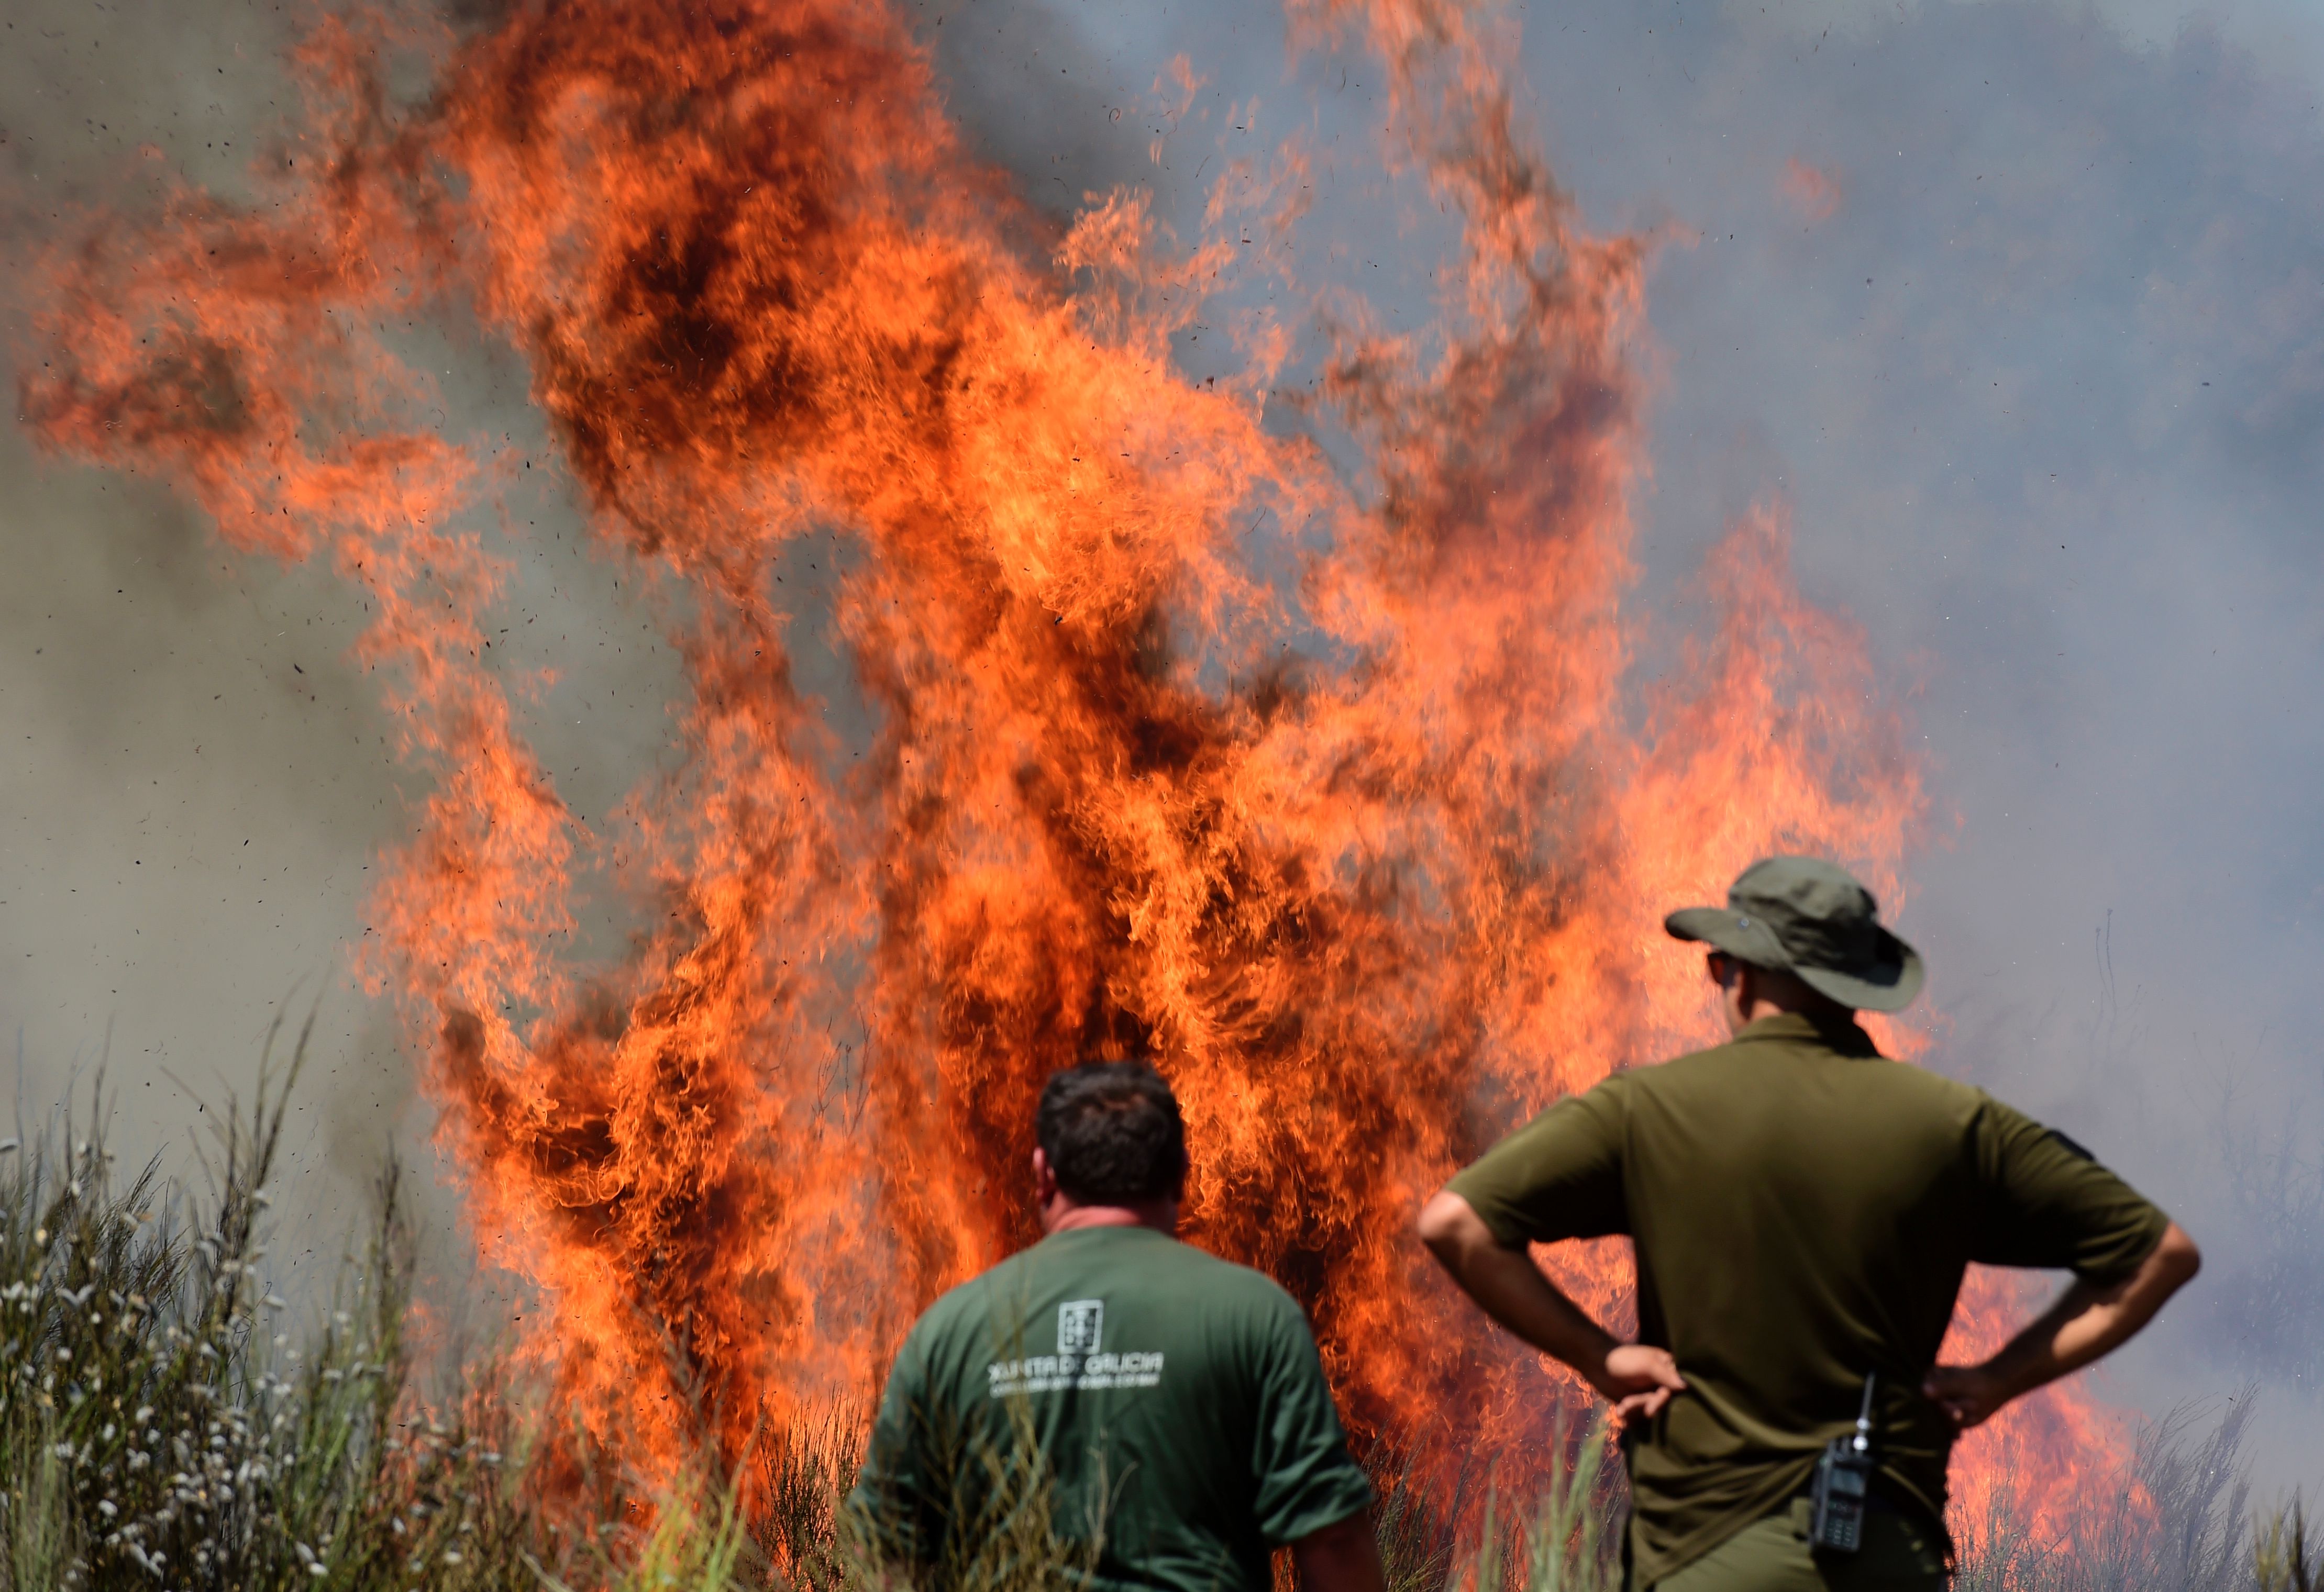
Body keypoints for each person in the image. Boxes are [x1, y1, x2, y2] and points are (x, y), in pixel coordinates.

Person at [1418, 856, 2201, 1591]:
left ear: (1741, 973)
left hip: (1700, 1556)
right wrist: (1999, 1379)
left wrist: (1599, 1357)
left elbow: (1457, 1223)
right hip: (1884, 1554)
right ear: (1856, 986)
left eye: (1718, 963)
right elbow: (2157, 1253)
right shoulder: (1954, 1125)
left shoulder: (1646, 1110)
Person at [848, 1061, 1385, 1592]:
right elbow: (1333, 1541)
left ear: (1043, 1175)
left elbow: (880, 1552)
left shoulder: (948, 1331)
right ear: (1181, 1172)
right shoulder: (1253, 1314)